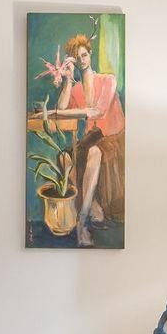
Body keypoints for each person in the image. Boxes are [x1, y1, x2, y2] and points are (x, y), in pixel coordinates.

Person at [48, 32, 125, 246]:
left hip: (113, 138)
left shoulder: (107, 79)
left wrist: (67, 113)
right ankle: (94, 208)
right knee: (64, 157)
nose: (81, 60)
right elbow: (61, 108)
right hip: (91, 139)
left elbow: (99, 111)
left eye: (83, 55)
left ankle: (82, 223)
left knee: (93, 151)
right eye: (76, 57)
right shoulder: (78, 89)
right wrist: (69, 80)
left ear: (89, 54)